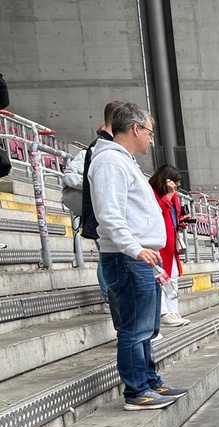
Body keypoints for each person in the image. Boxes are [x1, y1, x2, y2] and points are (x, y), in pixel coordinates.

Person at [89, 102, 187, 411]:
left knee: (147, 326)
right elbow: (109, 213)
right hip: (127, 257)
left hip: (139, 256)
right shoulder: (110, 162)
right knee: (135, 326)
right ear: (135, 129)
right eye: (149, 132)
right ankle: (137, 390)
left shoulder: (124, 161)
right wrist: (134, 248)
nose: (151, 139)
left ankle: (149, 380)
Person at [62, 100, 123, 325]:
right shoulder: (94, 150)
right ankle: (109, 299)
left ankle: (113, 302)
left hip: (104, 213)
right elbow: (69, 177)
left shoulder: (114, 151)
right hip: (98, 215)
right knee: (109, 258)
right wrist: (94, 183)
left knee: (109, 258)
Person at [148, 165, 191, 327]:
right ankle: (163, 312)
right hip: (159, 241)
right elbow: (157, 211)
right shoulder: (153, 193)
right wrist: (170, 194)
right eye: (176, 184)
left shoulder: (174, 197)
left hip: (171, 240)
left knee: (172, 277)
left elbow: (174, 215)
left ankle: (173, 310)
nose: (177, 188)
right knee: (161, 275)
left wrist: (180, 223)